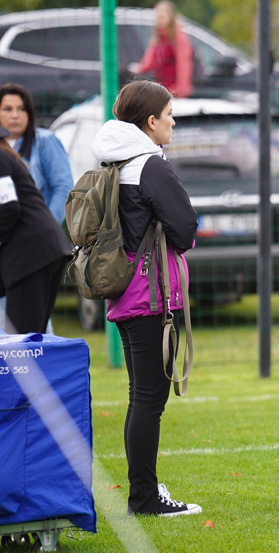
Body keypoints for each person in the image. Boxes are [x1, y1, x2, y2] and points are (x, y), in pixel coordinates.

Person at [90, 80, 200, 516]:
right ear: (150, 121)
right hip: (149, 295)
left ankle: (144, 492)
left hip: (123, 293)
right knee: (149, 399)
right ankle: (145, 497)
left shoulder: (110, 158)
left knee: (142, 395)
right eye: (169, 114)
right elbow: (185, 228)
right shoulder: (149, 164)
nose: (173, 121)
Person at [0, 127, 68, 335]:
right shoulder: (7, 158)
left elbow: (8, 207)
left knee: (23, 343)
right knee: (33, 338)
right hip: (43, 250)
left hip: (31, 254)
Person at [0, 83, 74, 225]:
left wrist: (47, 225)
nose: (15, 115)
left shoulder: (44, 141)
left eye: (22, 109)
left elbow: (63, 187)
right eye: (7, 109)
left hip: (35, 232)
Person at [136, 0, 195, 98]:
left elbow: (184, 64)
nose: (159, 20)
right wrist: (138, 68)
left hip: (174, 90)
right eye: (157, 17)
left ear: (170, 17)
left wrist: (182, 89)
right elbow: (149, 61)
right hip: (161, 88)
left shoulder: (178, 37)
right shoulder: (159, 37)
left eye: (162, 17)